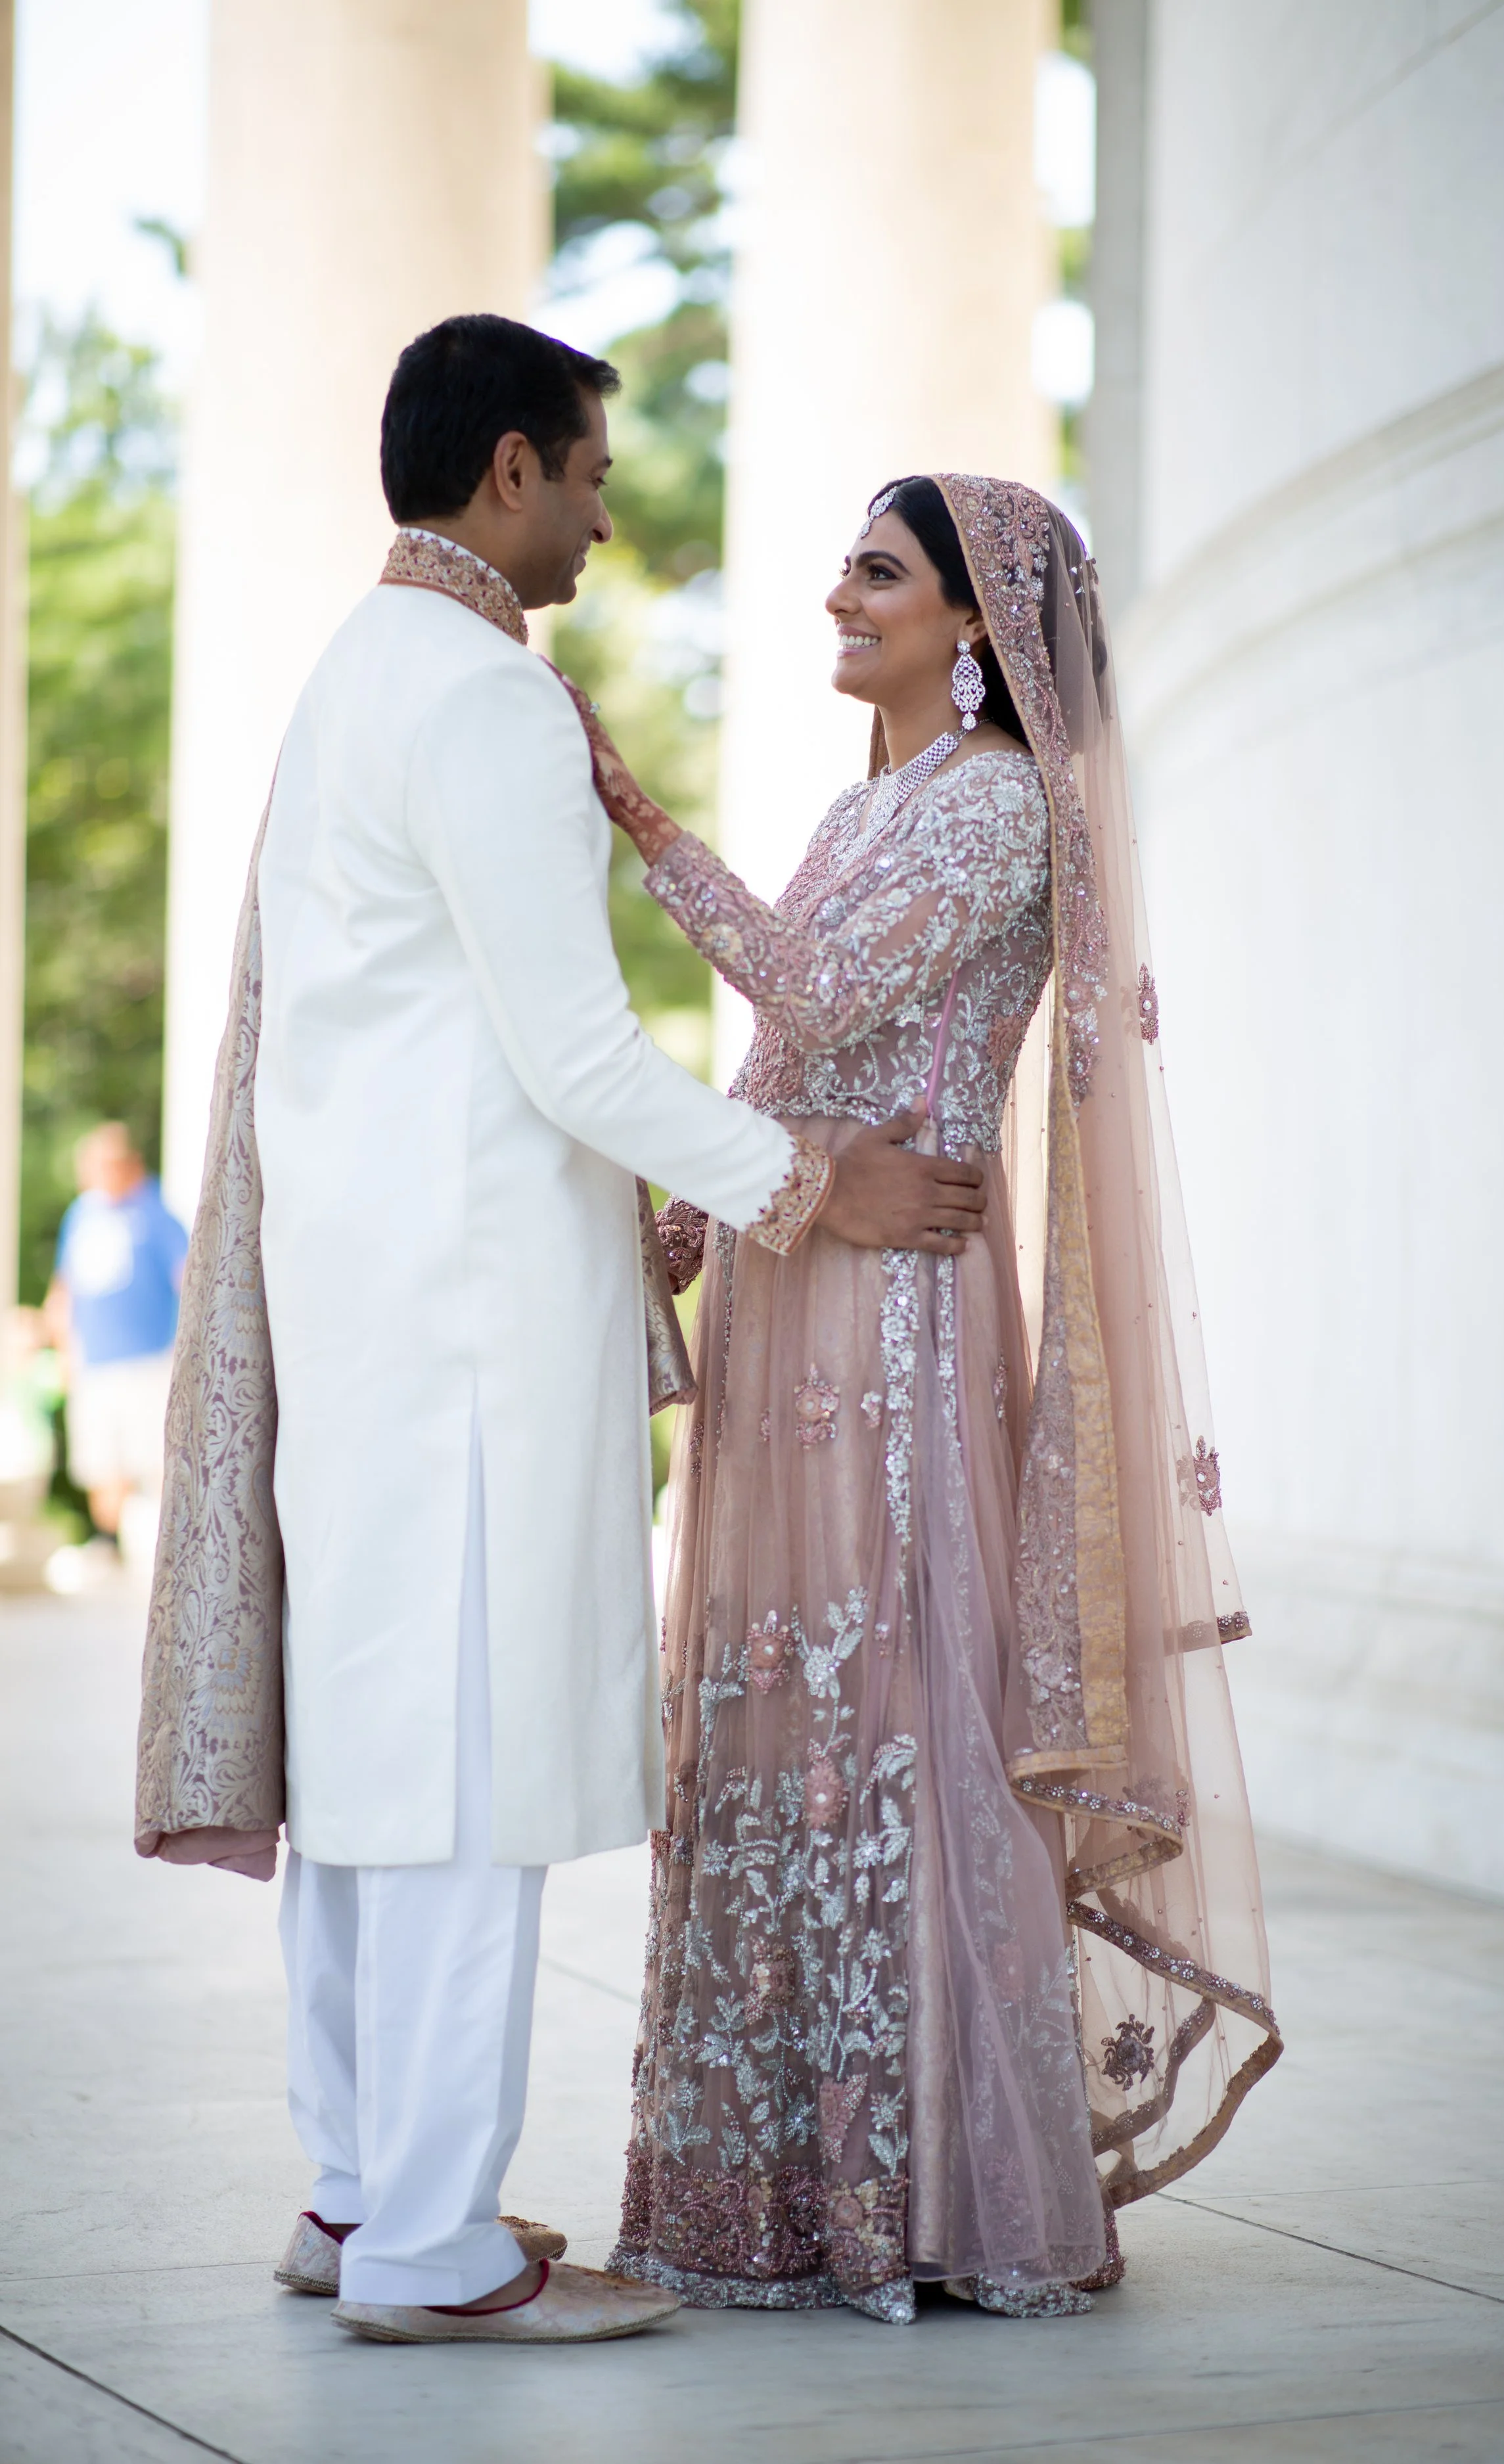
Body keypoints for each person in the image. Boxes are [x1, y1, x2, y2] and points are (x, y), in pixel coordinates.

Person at [141, 317, 989, 2350]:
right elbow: (575, 1043)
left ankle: (359, 2192)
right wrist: (806, 1175)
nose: (608, 512)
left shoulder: (360, 672)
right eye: (593, 472)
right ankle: (436, 2242)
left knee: (370, 1759)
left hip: (370, 1306)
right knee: (466, 1763)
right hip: (469, 1323)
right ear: (510, 468)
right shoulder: (487, 701)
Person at [573, 474, 1283, 2321]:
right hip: (794, 1284)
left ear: (976, 625)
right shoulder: (864, 801)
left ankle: (952, 2183)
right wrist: (685, 1207)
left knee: (904, 1707)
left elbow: (801, 974)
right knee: (786, 1715)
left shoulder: (991, 811)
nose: (837, 595)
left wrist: (632, 808)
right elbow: (791, 1043)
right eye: (847, 567)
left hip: (896, 1316)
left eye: (878, 573)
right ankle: (784, 2183)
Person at [43, 1123, 187, 1557]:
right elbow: (64, 1286)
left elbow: (186, 1277)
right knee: (101, 1460)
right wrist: (65, 1346)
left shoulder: (156, 1214)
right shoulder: (82, 1215)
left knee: (154, 1457)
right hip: (96, 1361)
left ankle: (168, 1550)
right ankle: (107, 1545)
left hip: (149, 1357)